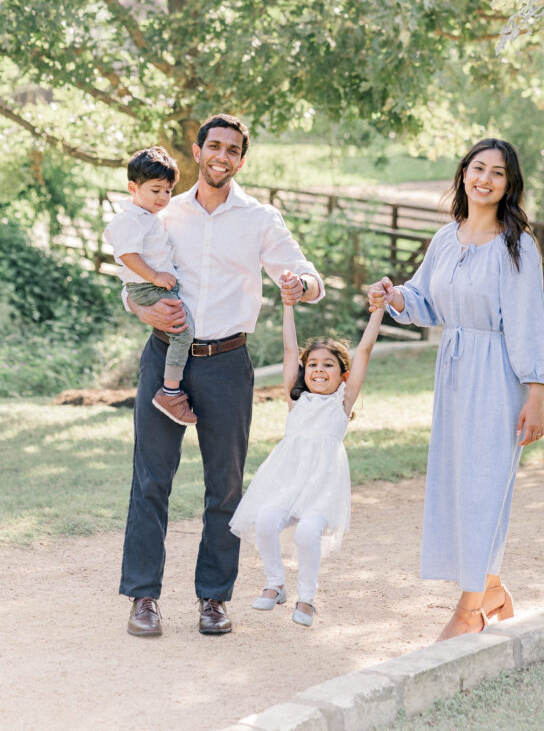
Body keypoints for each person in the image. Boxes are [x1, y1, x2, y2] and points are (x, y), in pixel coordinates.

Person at [119, 115, 324, 638]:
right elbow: (130, 271)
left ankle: (214, 599)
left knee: (225, 488)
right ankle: (144, 597)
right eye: (214, 146)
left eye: (232, 149)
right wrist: (138, 306)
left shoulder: (259, 218)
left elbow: (307, 274)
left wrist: (301, 283)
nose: (221, 155)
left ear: (241, 159)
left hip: (228, 364)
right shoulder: (165, 210)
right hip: (165, 356)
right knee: (150, 481)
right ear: (198, 150)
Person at [368, 137, 544, 640]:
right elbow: (425, 300)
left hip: (500, 376)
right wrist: (395, 294)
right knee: (458, 484)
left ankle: (471, 609)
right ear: (464, 173)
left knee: (486, 485)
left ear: (509, 184)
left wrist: (534, 391)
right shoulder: (446, 239)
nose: (485, 179)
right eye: (478, 168)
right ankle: (490, 588)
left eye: (497, 172)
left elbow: (528, 323)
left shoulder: (517, 246)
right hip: (453, 372)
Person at [230, 281, 384, 627]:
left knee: (306, 533)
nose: (318, 370)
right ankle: (275, 584)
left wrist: (378, 311)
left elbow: (364, 351)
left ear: (342, 375)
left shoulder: (342, 402)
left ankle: (308, 597)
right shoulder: (295, 399)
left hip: (322, 487)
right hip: (287, 481)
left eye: (328, 365)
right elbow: (289, 351)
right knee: (267, 521)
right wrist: (288, 306)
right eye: (312, 364)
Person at [104, 146, 197, 426]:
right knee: (183, 332)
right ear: (133, 187)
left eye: (168, 191)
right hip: (147, 287)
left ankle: (172, 386)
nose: (163, 198)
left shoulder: (147, 217)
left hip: (152, 285)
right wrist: (156, 276)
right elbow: (127, 255)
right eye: (155, 190)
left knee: (181, 329)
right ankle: (170, 391)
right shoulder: (130, 219)